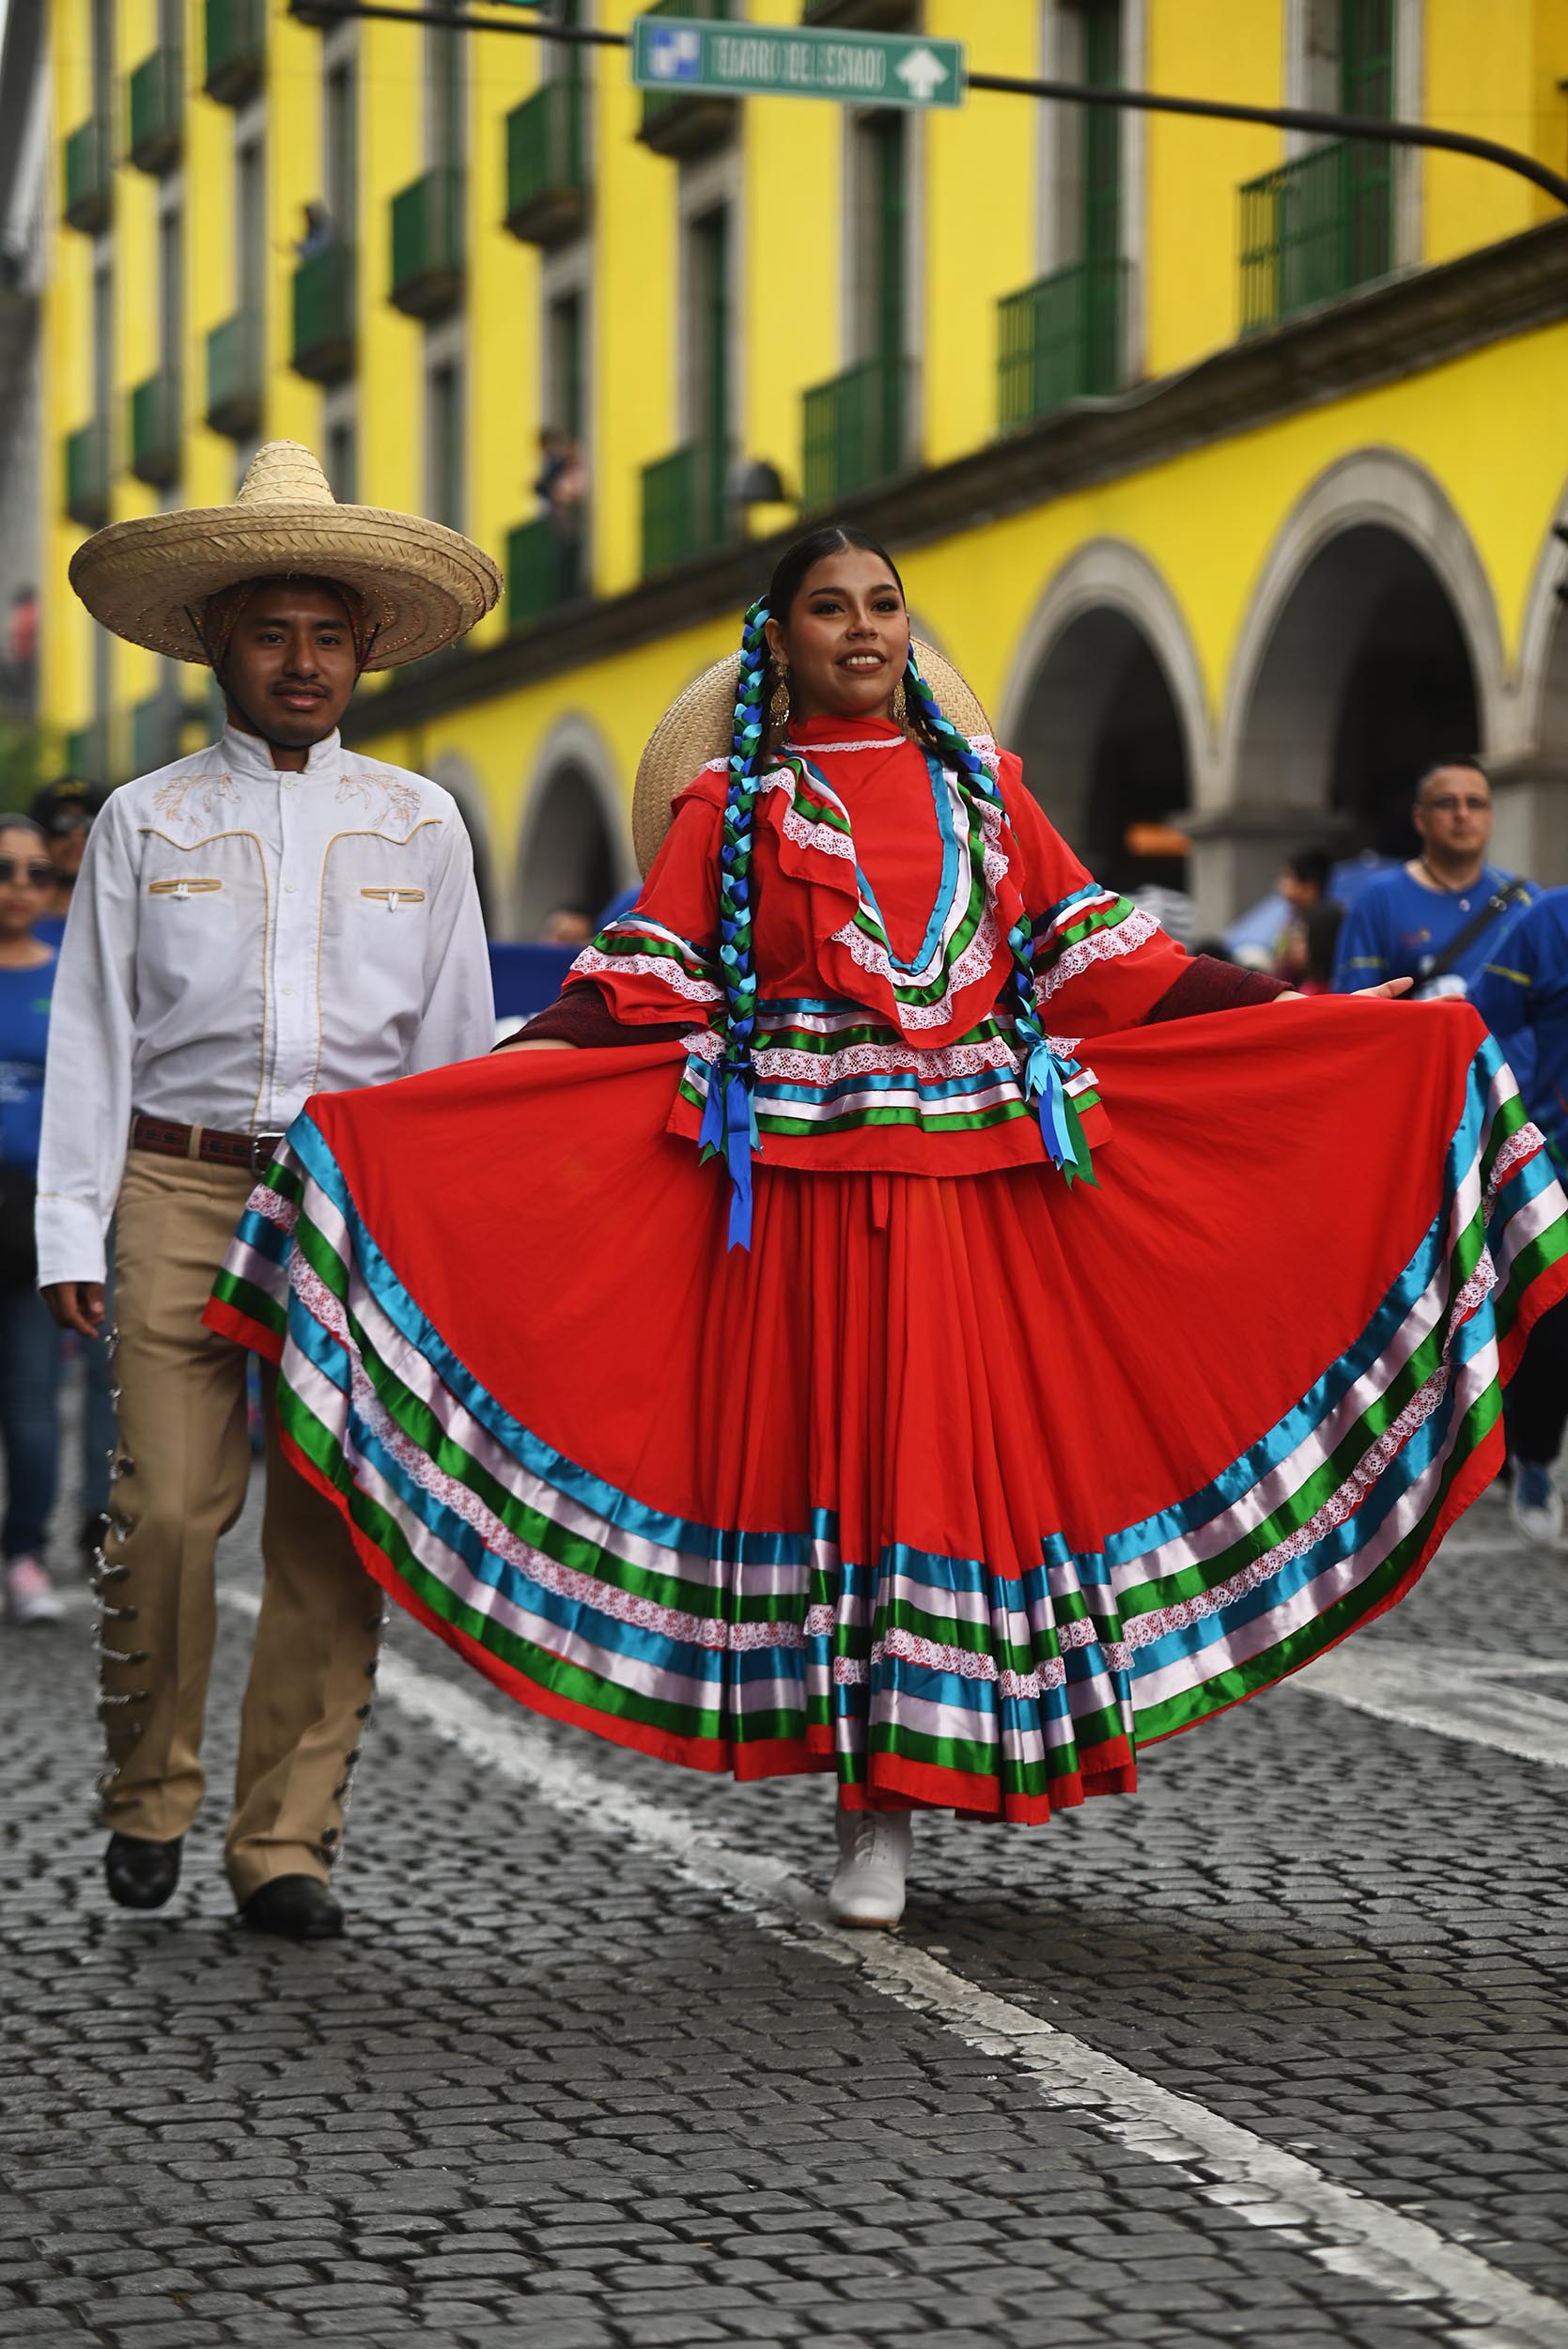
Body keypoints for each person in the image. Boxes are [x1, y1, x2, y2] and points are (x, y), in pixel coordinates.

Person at [208, 525, 1566, 1934]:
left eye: (884, 606)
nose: (862, 628)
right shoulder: (732, 810)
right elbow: (625, 1001)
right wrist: (441, 1113)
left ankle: (925, 1776)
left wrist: (1328, 1023)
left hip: (983, 1200)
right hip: (806, 1201)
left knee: (962, 1476)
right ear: (778, 643)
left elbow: (1124, 973)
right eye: (827, 609)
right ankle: (872, 1798)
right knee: (855, 1476)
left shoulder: (989, 795)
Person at [37, 440, 501, 1938]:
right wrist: (72, 1224)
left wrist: (445, 1252)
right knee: (168, 1512)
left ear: (365, 650)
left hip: (353, 1212)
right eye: (270, 633)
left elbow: (448, 1060)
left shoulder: (421, 825)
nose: (302, 663)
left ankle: (283, 1843)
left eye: (328, 636)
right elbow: (92, 1035)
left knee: (324, 1528)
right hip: (177, 1191)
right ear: (217, 642)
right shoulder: (143, 822)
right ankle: (148, 1793)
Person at [1472, 894, 1568, 1547]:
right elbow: (1486, 1025)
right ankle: (1533, 1457)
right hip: (1558, 1162)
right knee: (1554, 1322)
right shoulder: (1546, 921)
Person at [0, 817, 68, 1625]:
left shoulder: (72, 977)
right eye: (4, 869)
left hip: (34, 1216)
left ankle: (24, 1555)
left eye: (38, 873)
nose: (20, 885)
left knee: (31, 1398)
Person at [1330, 760, 1535, 1001]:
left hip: (1502, 1040)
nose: (1462, 814)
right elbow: (1353, 1008)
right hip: (1418, 1038)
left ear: (1490, 815)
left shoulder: (1526, 900)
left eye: (1475, 803)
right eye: (1447, 803)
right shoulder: (1377, 900)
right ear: (1419, 818)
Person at [29, 780, 102, 945]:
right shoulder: (13, 923)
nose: (76, 835)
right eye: (62, 822)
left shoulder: (128, 920)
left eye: (90, 823)